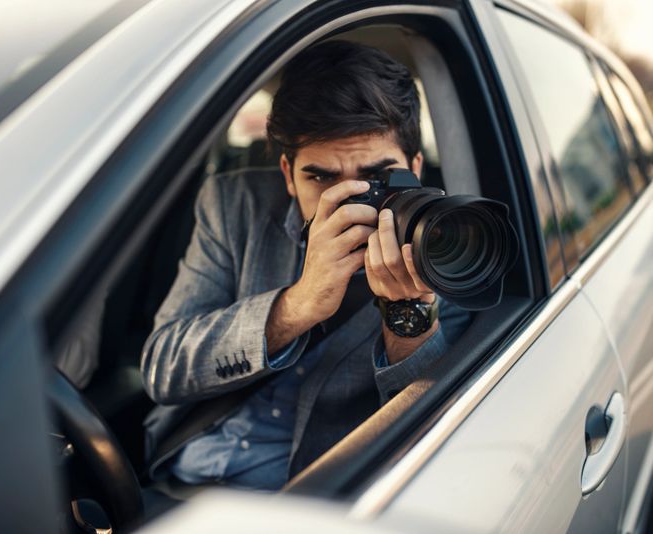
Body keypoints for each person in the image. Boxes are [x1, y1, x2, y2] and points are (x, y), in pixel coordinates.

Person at [140, 40, 470, 491]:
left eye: (378, 177)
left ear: (415, 165)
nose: (350, 200)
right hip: (178, 473)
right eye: (321, 176)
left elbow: (431, 434)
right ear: (287, 174)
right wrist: (295, 307)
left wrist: (406, 314)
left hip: (307, 497)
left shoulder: (451, 242)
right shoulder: (234, 205)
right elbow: (162, 368)